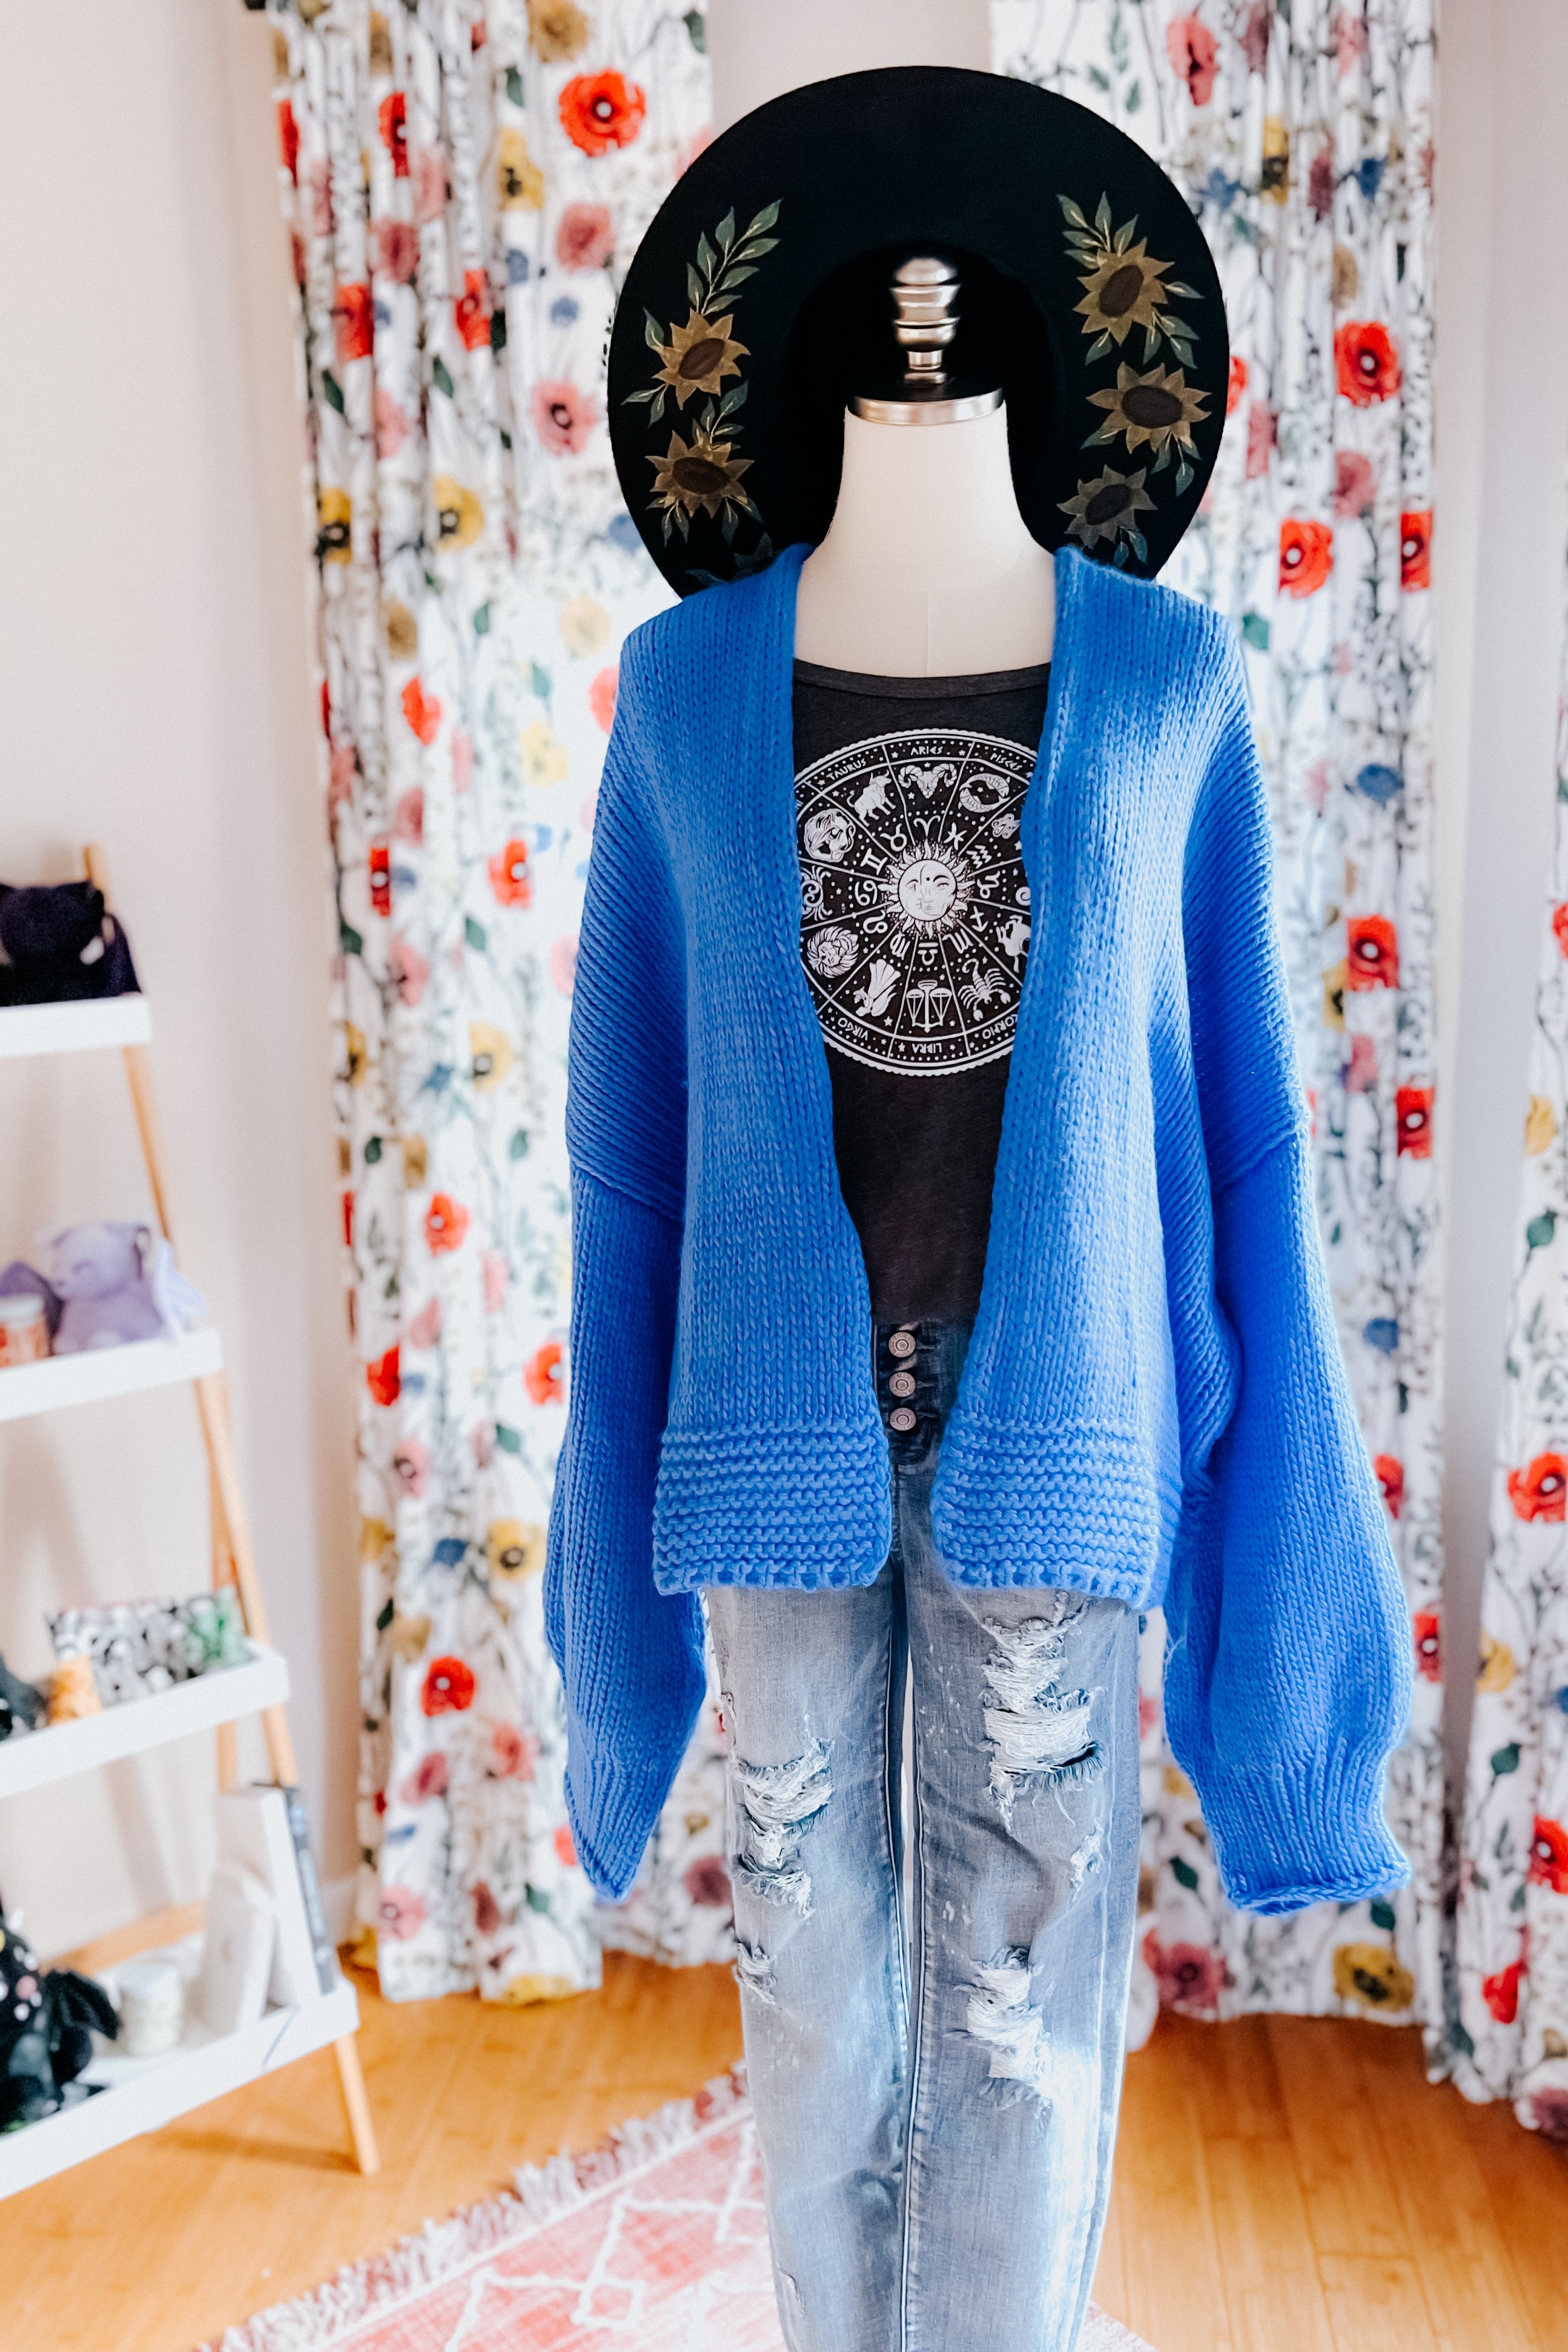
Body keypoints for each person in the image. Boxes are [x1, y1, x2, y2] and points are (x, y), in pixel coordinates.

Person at [547, 67, 1413, 2352]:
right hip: (768, 1445)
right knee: (817, 2004)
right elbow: (626, 1167)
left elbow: (1242, 1149)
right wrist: (596, 1605)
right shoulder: (676, 695)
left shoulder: (1169, 684)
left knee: (1019, 2014)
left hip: (1056, 1440)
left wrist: (1287, 1585)